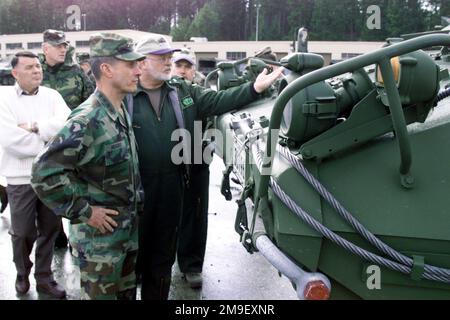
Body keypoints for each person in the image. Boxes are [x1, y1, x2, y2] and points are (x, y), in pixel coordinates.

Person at [132, 35, 283, 300]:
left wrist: (254, 89)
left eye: (171, 57)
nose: (169, 63)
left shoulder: (181, 91)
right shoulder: (125, 95)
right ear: (141, 63)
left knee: (163, 260)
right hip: (137, 190)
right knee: (134, 257)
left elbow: (218, 101)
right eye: (162, 58)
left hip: (174, 184)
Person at [31, 33, 145, 300]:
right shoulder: (87, 118)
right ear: (106, 69)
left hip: (125, 235)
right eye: (130, 64)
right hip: (100, 244)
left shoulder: (118, 109)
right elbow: (43, 174)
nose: (138, 70)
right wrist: (85, 211)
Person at [0, 51, 70, 298]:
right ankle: (22, 272)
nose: (36, 71)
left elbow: (67, 126)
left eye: (37, 66)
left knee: (50, 228)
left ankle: (44, 277)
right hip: (20, 178)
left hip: (51, 176)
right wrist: (48, 141)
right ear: (15, 73)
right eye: (29, 67)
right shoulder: (4, 98)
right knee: (22, 232)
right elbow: (10, 141)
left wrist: (35, 127)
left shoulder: (53, 96)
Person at [41, 29, 95, 249]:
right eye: (58, 46)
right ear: (46, 48)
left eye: (65, 45)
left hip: (74, 143)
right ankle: (56, 234)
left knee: (78, 189)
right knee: (50, 190)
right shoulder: (36, 71)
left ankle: (79, 236)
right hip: (44, 144)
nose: (63, 49)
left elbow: (91, 102)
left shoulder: (76, 73)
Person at [171, 49, 209, 288]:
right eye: (179, 66)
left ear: (194, 71)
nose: (183, 70)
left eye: (188, 66)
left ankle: (191, 264)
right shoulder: (160, 92)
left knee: (194, 214)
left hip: (196, 155)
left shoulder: (200, 94)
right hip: (165, 159)